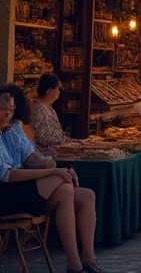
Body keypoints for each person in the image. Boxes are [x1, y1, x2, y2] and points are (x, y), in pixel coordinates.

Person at [0, 90, 106, 273]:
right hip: (6, 194)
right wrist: (54, 171)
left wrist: (52, 166)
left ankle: (87, 259)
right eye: (3, 109)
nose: (8, 114)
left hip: (19, 188)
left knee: (86, 195)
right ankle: (75, 265)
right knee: (61, 181)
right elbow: (8, 175)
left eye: (11, 109)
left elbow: (29, 157)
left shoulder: (11, 129)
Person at [30, 73, 68, 160]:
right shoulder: (36, 109)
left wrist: (64, 139)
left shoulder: (49, 108)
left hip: (57, 152)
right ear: (49, 91)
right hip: (44, 156)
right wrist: (59, 140)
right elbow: (37, 136)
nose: (59, 92)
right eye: (58, 89)